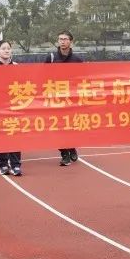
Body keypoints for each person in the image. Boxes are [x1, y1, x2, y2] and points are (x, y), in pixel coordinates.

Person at [45, 31, 83, 166]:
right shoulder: (51, 57)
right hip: (55, 99)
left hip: (72, 100)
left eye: (65, 39)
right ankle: (64, 153)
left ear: (70, 41)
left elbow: (83, 79)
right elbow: (43, 76)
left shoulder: (77, 60)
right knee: (57, 127)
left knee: (71, 126)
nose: (62, 41)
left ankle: (71, 146)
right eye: (60, 39)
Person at [0, 40, 23, 176]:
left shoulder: (17, 66)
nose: (6, 51)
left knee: (14, 134)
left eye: (8, 48)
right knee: (0, 135)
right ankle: (3, 164)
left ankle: (16, 165)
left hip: (13, 106)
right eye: (3, 48)